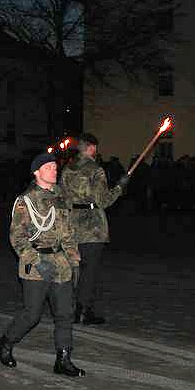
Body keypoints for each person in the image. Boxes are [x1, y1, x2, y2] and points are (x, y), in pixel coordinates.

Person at [0, 153, 85, 377]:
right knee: (32, 314)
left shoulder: (61, 196)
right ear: (37, 172)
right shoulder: (26, 200)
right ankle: (5, 342)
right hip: (35, 264)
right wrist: (37, 262)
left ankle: (63, 360)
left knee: (65, 313)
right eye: (49, 167)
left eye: (55, 166)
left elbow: (68, 232)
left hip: (61, 262)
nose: (55, 170)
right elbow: (17, 238)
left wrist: (74, 261)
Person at [60, 133, 129, 325]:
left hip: (72, 224)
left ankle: (70, 307)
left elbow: (62, 197)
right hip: (92, 227)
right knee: (89, 271)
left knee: (73, 269)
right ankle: (83, 310)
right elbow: (103, 200)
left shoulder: (67, 169)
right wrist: (119, 187)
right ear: (91, 147)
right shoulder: (95, 170)